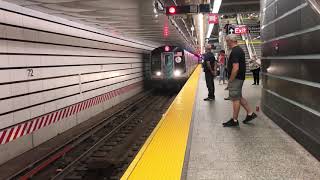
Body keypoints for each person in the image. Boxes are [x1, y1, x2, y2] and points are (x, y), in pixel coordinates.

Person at [223, 34, 257, 127]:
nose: (227, 44)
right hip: (239, 78)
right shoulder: (239, 50)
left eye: (227, 41)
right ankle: (250, 113)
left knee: (235, 99)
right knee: (239, 97)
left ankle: (234, 120)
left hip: (236, 78)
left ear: (231, 41)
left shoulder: (235, 51)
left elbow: (236, 68)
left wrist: (230, 80)